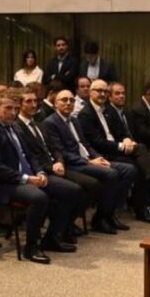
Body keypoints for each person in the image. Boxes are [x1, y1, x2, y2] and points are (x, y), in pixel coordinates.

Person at [0, 89, 79, 264]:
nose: (13, 113)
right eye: (8, 108)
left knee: (71, 190)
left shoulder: (15, 126)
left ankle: (52, 237)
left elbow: (30, 155)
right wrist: (26, 178)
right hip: (3, 184)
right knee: (39, 197)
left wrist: (39, 172)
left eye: (16, 109)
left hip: (29, 176)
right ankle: (31, 247)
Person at [79, 79, 150, 221]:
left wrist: (126, 140)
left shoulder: (107, 110)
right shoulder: (86, 114)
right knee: (140, 162)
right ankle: (148, 195)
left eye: (104, 91)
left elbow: (121, 132)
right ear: (90, 93)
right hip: (103, 153)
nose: (102, 94)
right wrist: (122, 146)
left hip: (116, 149)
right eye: (99, 91)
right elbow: (97, 142)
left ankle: (144, 203)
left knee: (144, 161)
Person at [42, 89, 136, 234]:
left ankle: (108, 214)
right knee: (110, 175)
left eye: (72, 100)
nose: (68, 103)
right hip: (72, 164)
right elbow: (60, 152)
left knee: (128, 170)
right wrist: (89, 162)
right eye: (64, 100)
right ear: (55, 104)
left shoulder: (74, 120)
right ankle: (99, 219)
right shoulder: (50, 123)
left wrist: (97, 157)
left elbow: (85, 144)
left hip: (87, 159)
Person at [14, 88, 91, 241]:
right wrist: (51, 168)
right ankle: (54, 235)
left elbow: (55, 148)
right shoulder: (17, 127)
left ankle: (61, 229)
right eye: (29, 101)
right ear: (19, 105)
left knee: (86, 186)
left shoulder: (38, 124)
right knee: (72, 190)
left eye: (35, 101)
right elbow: (31, 156)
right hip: (39, 171)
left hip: (54, 166)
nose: (34, 105)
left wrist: (59, 161)